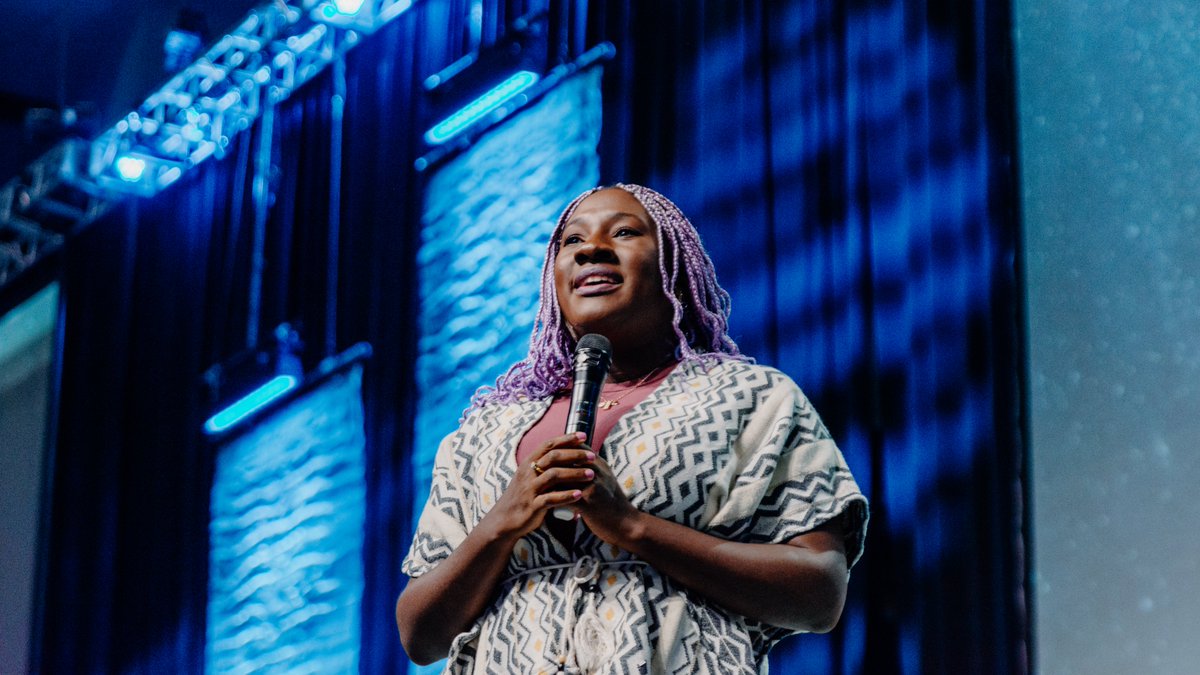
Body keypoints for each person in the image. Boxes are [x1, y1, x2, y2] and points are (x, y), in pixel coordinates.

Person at [396, 183, 868, 674]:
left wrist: (633, 527)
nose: (592, 249)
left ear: (675, 271)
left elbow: (819, 594)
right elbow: (419, 636)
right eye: (571, 241)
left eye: (623, 232)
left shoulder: (752, 399)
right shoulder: (483, 433)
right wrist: (502, 520)